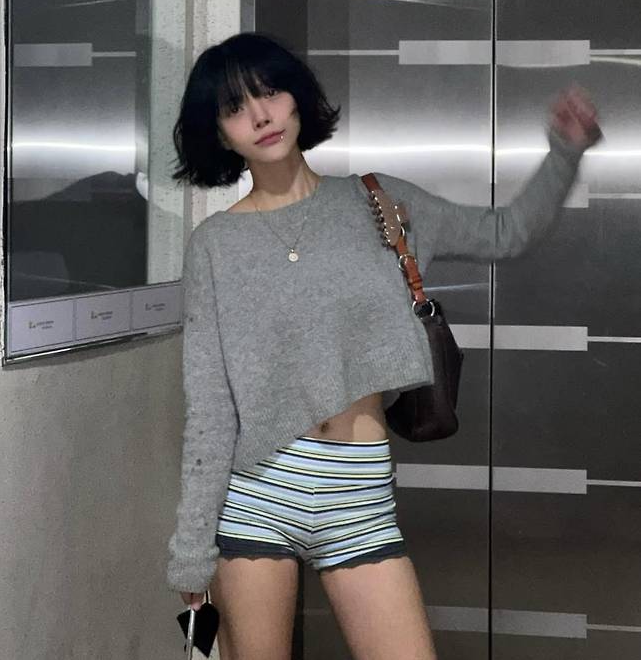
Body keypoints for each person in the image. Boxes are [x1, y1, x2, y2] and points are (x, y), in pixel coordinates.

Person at [167, 32, 601, 660]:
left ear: (297, 98)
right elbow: (209, 407)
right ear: (220, 134)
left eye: (271, 92)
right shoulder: (214, 245)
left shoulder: (379, 202)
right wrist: (190, 551)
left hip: (359, 498)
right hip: (257, 497)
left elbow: (506, 233)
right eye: (236, 108)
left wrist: (566, 150)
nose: (260, 115)